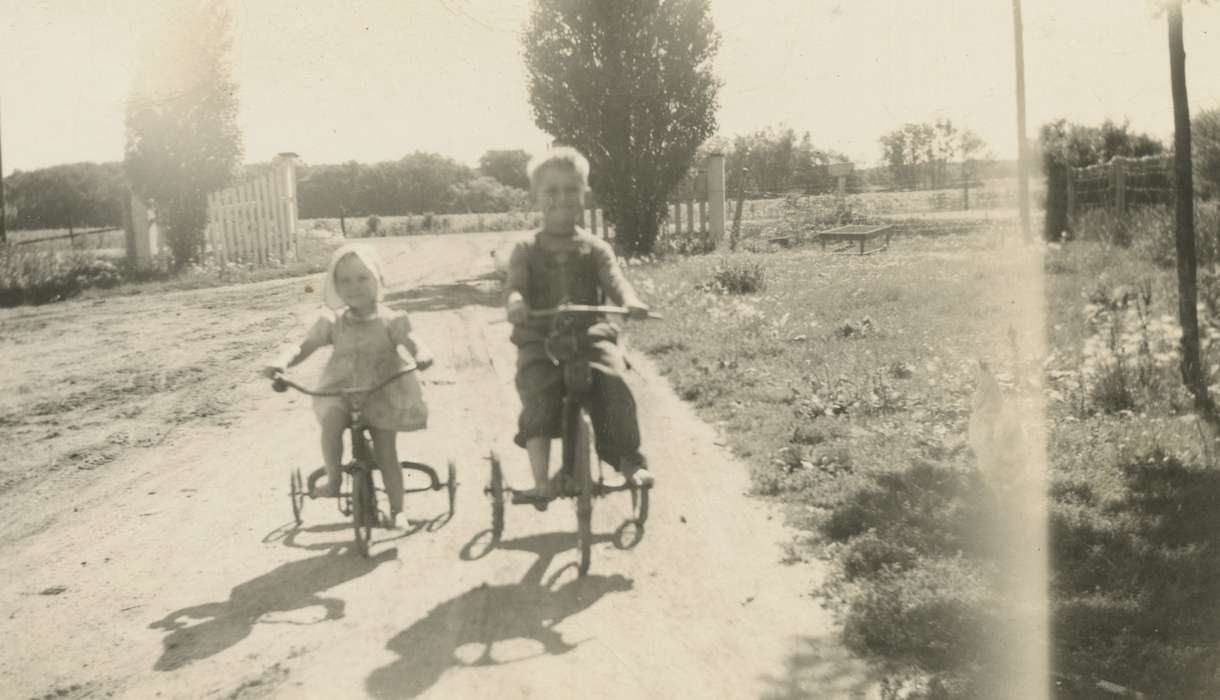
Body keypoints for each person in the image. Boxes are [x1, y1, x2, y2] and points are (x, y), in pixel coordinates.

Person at [505, 146, 655, 502]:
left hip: (589, 335)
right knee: (537, 394)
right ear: (535, 198)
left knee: (614, 379)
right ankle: (541, 480)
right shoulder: (525, 249)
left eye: (571, 189)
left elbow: (615, 280)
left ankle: (628, 460)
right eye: (551, 191)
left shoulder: (595, 248)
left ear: (585, 195)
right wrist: (515, 302)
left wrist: (629, 301)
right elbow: (515, 285)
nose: (562, 198)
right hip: (540, 338)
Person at [262, 243, 432, 528]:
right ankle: (334, 478)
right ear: (336, 286)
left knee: (386, 451)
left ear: (377, 279)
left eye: (362, 278)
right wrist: (282, 362)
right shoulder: (332, 322)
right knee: (331, 422)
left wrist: (422, 353)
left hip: (383, 390)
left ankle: (398, 509)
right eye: (345, 280)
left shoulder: (392, 320)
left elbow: (413, 342)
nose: (354, 287)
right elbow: (303, 346)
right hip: (341, 388)